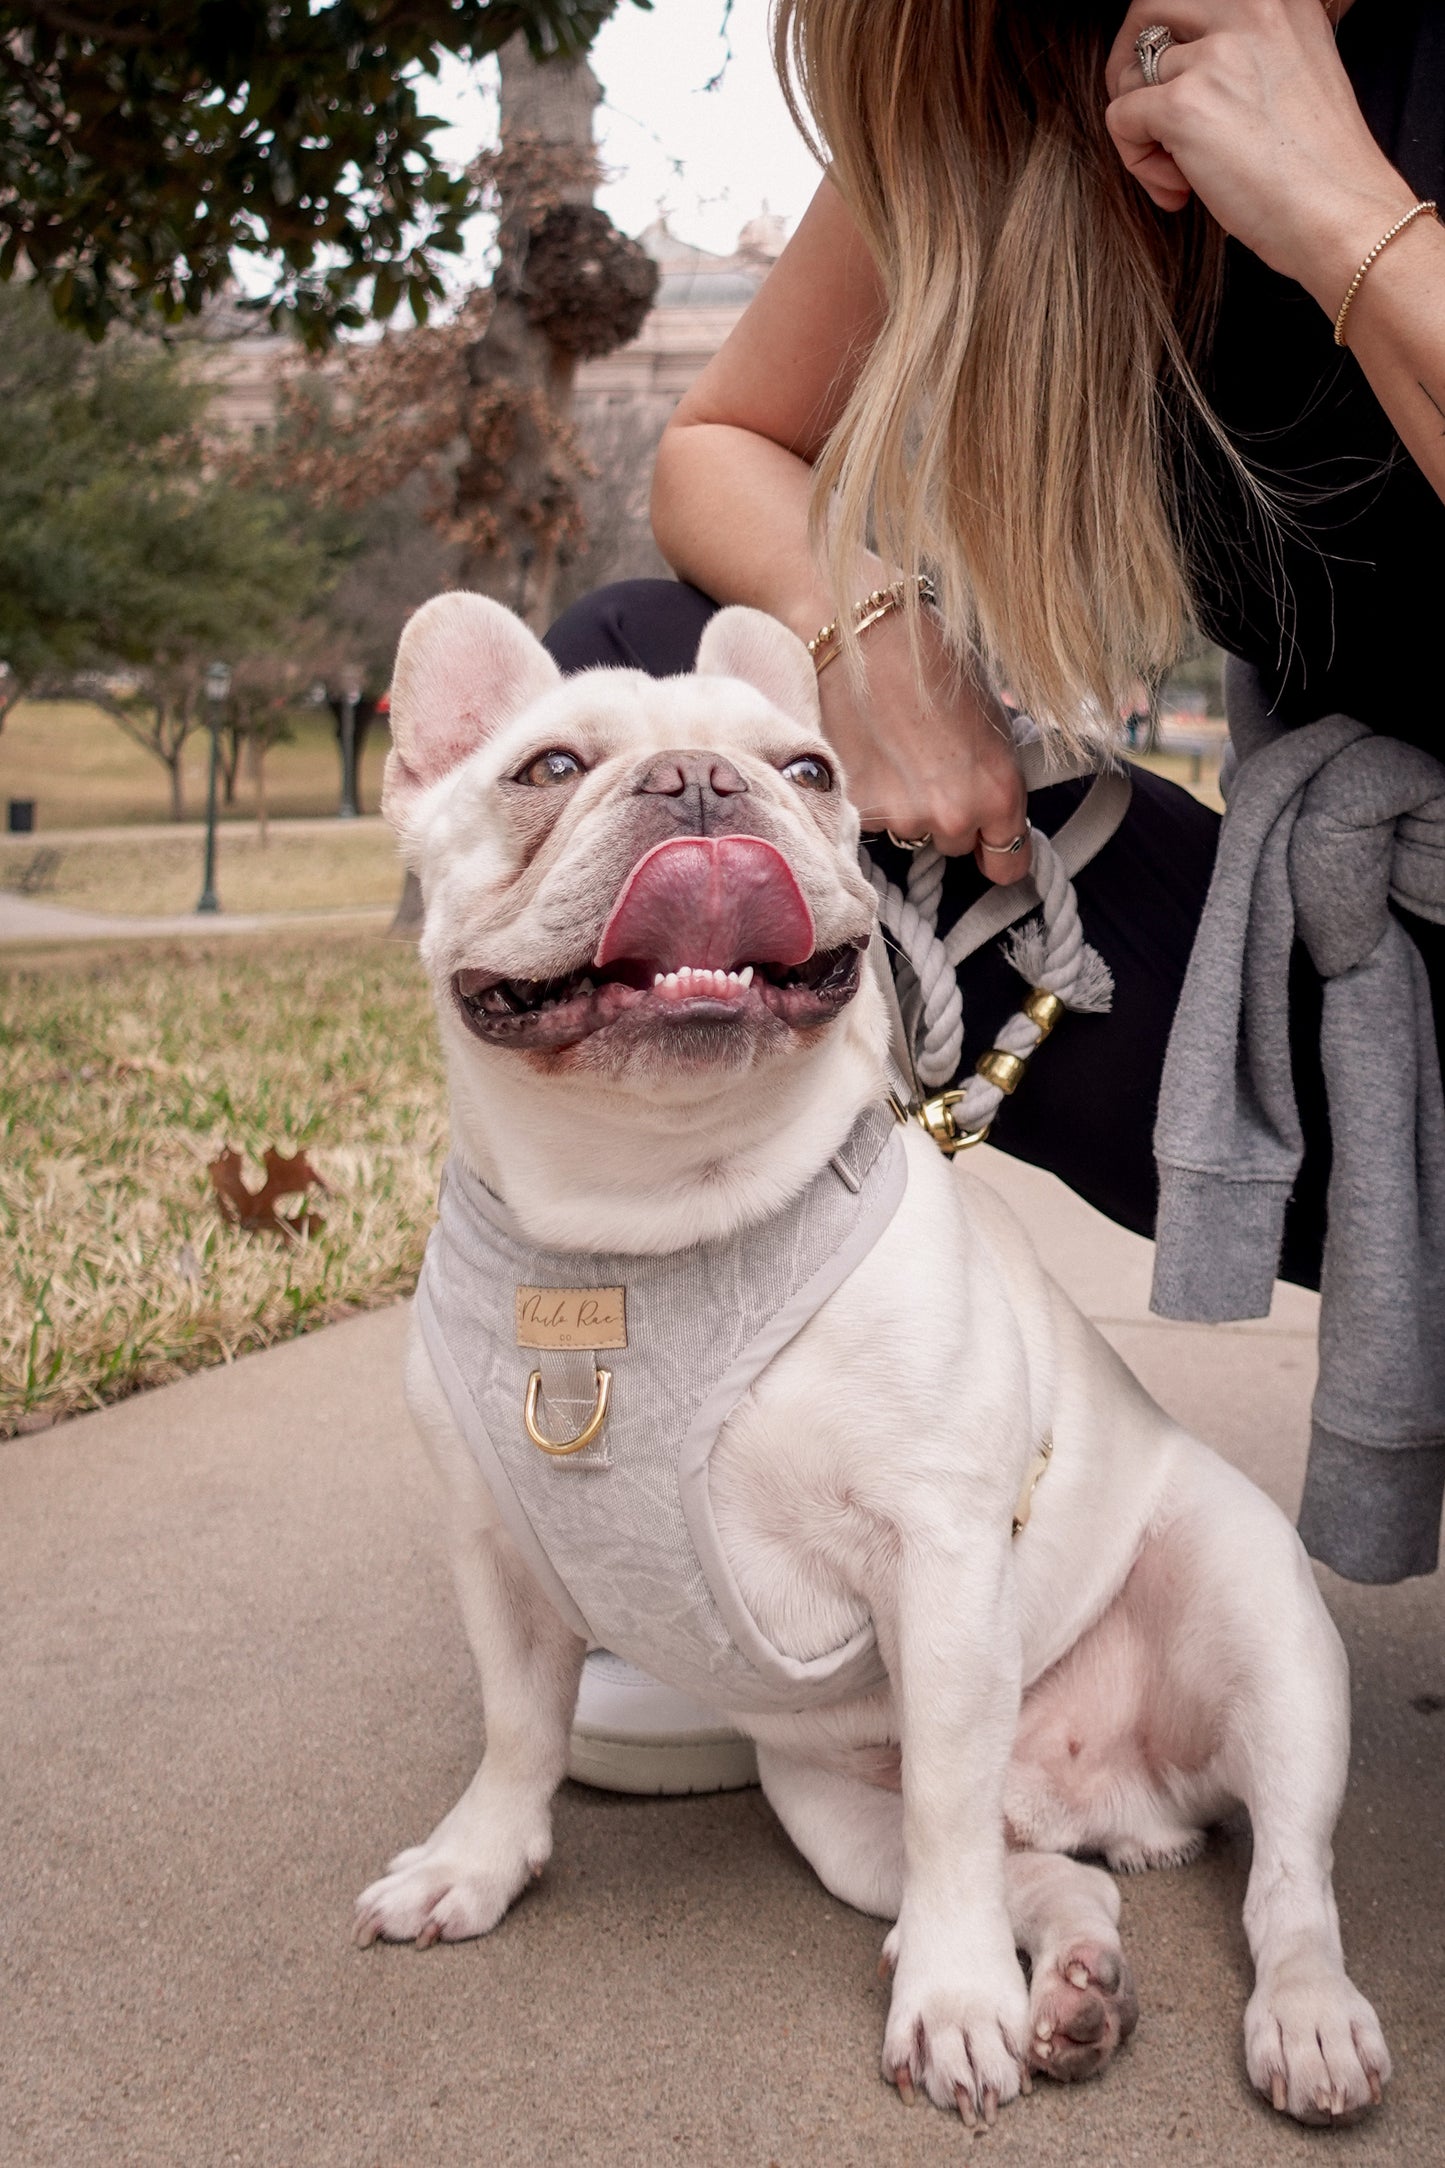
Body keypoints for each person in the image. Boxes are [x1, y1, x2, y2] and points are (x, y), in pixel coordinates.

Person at [554, 0, 1445, 1785]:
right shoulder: (1032, 69)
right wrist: (858, 621)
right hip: (1364, 993)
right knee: (656, 685)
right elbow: (722, 441)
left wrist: (1340, 214)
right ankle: (738, 1553)